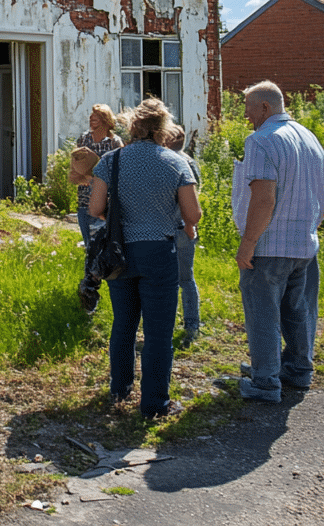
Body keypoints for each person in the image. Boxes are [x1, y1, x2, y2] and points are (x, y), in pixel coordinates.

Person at [90, 98, 201, 418]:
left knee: (123, 325)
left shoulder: (111, 161)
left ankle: (120, 388)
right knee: (158, 332)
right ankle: (154, 403)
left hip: (121, 252)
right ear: (162, 129)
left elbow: (95, 209)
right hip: (159, 253)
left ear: (132, 126)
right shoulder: (176, 163)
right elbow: (192, 213)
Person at [232, 80, 324, 404]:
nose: (247, 117)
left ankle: (265, 384)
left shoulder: (261, 140)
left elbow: (264, 199)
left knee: (263, 313)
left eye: (248, 110)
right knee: (297, 312)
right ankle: (298, 371)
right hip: (304, 244)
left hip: (269, 246)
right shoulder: (309, 138)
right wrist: (308, 225)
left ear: (264, 107)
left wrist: (248, 243)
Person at [75, 104, 124, 313]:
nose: (91, 120)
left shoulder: (114, 143)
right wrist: (82, 176)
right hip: (84, 201)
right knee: (89, 248)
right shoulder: (84, 139)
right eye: (90, 116)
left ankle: (111, 292)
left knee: (104, 250)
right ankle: (90, 296)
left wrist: (99, 181)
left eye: (95, 117)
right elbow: (75, 166)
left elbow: (119, 173)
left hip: (105, 203)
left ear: (105, 120)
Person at [162, 123, 203, 347]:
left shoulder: (168, 162)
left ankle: (167, 325)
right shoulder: (190, 161)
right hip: (185, 227)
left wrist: (188, 224)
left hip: (171, 228)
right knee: (186, 278)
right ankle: (192, 324)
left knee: (167, 281)